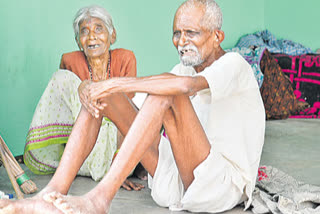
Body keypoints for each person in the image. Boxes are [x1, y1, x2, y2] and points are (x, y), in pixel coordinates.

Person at [0, 0, 265, 213]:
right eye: (177, 33)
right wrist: (98, 90)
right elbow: (134, 112)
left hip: (218, 186)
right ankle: (51, 193)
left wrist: (114, 83)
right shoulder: (180, 69)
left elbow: (185, 86)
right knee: (108, 98)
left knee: (167, 88)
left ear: (217, 36)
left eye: (191, 33)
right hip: (173, 181)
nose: (181, 41)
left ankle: (100, 198)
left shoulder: (235, 64)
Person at [23, 5, 144, 188]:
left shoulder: (126, 58)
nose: (92, 36)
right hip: (82, 153)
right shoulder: (69, 61)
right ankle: (67, 165)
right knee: (60, 78)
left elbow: (125, 115)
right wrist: (82, 86)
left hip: (116, 151)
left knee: (145, 98)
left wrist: (118, 170)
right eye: (84, 31)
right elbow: (64, 109)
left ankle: (128, 166)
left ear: (112, 36)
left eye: (98, 29)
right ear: (79, 41)